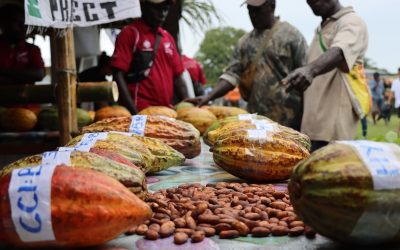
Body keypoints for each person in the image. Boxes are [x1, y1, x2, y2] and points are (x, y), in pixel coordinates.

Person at [186, 0, 307, 131]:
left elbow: (306, 76)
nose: (252, 15)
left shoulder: (292, 36)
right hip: (255, 122)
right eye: (250, 10)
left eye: (257, 10)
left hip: (288, 122)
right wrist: (209, 96)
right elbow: (231, 75)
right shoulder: (244, 43)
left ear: (272, 6)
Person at [283, 0, 369, 151]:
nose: (313, 2)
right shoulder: (321, 28)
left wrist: (310, 70)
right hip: (312, 128)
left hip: (331, 130)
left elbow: (340, 52)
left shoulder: (351, 21)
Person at [111, 0, 188, 114]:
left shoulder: (167, 37)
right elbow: (118, 75)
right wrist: (135, 114)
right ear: (143, 6)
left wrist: (188, 109)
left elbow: (178, 78)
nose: (162, 13)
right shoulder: (130, 33)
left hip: (166, 112)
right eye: (157, 8)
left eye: (165, 9)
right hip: (140, 110)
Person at [0, 4, 45, 85]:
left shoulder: (32, 49)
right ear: (5, 24)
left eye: (24, 23)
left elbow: (38, 74)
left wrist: (4, 72)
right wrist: (23, 76)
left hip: (26, 97)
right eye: (18, 23)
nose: (23, 27)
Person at [389, 68, 400, 132]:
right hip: (398, 102)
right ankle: (398, 130)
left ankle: (398, 130)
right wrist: (389, 101)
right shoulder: (395, 81)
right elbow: (392, 92)